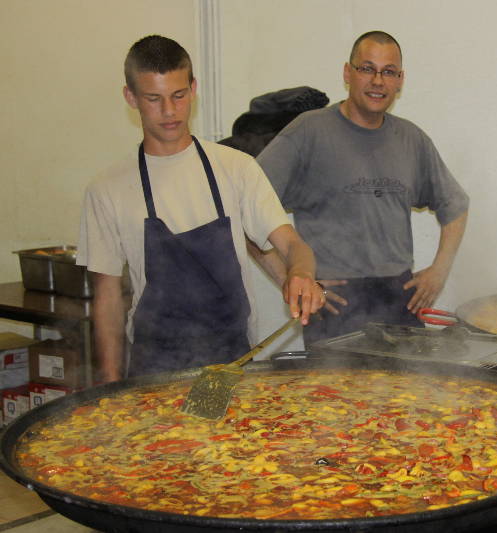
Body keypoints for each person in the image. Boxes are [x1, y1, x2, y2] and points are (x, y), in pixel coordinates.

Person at [77, 35, 324, 384]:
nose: (169, 111)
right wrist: (109, 384)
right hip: (153, 372)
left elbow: (292, 245)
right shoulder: (108, 189)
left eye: (178, 96)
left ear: (193, 89)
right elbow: (107, 298)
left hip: (233, 366)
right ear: (130, 97)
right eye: (154, 98)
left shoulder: (236, 168)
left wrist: (300, 273)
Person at [256, 30, 469, 346]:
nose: (378, 81)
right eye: (367, 68)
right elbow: (246, 207)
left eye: (389, 72)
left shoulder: (412, 140)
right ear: (347, 73)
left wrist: (439, 270)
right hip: (333, 304)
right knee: (334, 395)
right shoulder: (308, 132)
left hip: (400, 300)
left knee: (409, 394)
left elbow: (456, 206)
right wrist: (289, 278)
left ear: (400, 80)